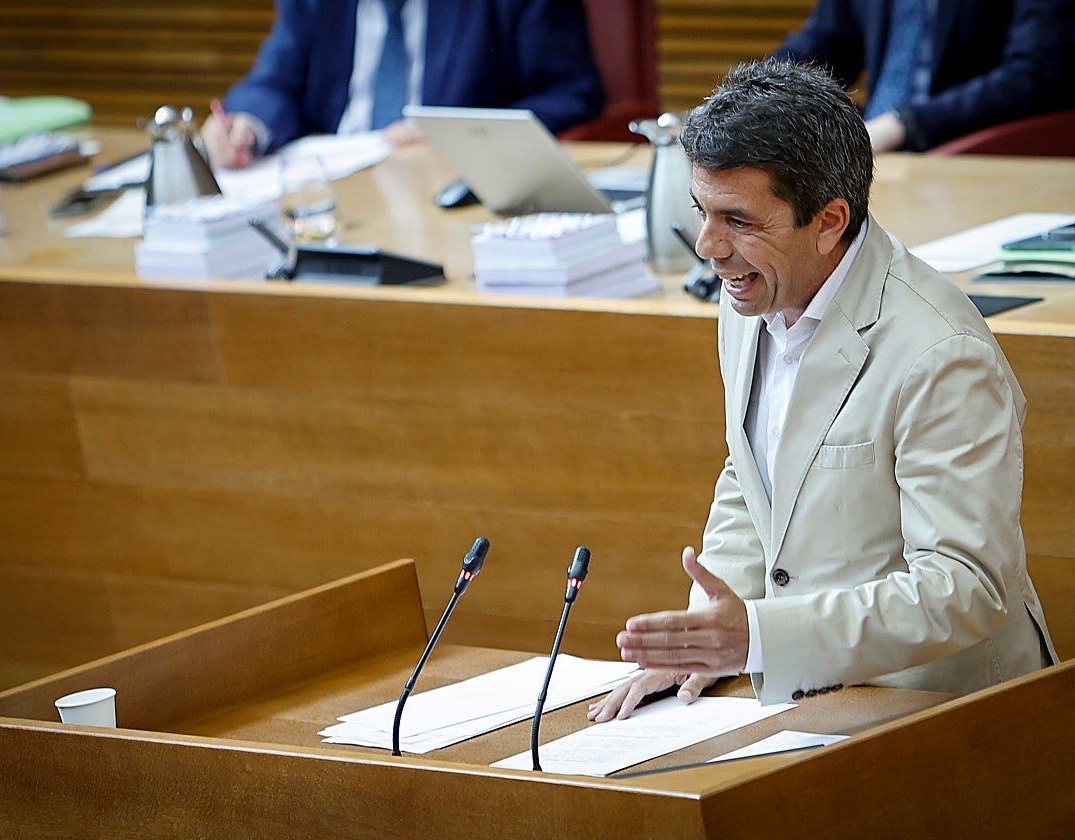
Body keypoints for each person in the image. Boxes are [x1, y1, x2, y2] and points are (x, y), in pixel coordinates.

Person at [588, 57, 1056, 721]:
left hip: (940, 710)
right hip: (808, 700)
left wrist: (758, 638)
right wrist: (705, 636)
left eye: (738, 221)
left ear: (830, 220)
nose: (707, 246)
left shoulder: (941, 355)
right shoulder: (751, 290)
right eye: (702, 212)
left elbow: (964, 588)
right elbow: (753, 474)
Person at [202, 0, 604, 169]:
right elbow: (272, 82)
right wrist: (247, 125)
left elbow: (571, 91)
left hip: (442, 183)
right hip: (328, 194)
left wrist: (457, 136)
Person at [773, 0, 1075, 152]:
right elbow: (819, 50)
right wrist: (747, 100)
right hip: (869, 154)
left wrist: (906, 124)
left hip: (971, 151)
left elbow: (1037, 76)